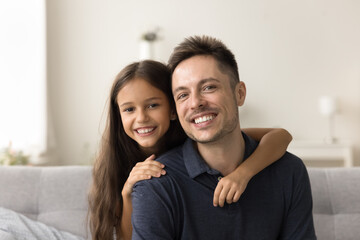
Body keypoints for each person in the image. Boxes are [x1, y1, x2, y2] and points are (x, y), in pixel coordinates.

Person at [131, 36, 316, 239]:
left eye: (209, 87)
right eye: (183, 95)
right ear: (175, 110)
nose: (195, 103)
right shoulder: (156, 186)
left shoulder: (289, 172)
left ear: (240, 94)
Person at [88, 60, 292, 240]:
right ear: (118, 115)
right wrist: (127, 193)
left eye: (152, 105)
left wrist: (242, 174)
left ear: (173, 109)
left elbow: (281, 136)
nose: (141, 118)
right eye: (129, 109)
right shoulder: (112, 166)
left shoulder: (199, 140)